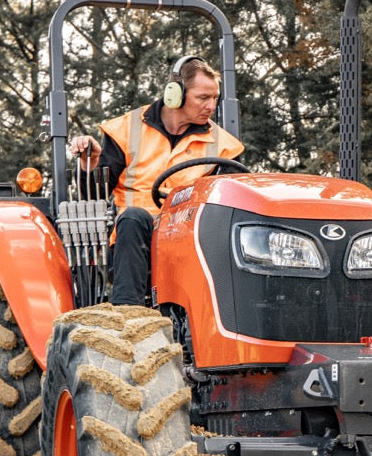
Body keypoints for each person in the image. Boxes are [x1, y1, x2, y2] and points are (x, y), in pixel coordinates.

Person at [70, 55, 245, 305]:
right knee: (133, 216)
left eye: (215, 98)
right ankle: (127, 315)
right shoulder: (126, 130)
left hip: (190, 240)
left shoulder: (225, 147)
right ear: (175, 94)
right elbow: (92, 199)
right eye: (203, 97)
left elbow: (232, 206)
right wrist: (90, 165)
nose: (211, 105)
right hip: (132, 240)